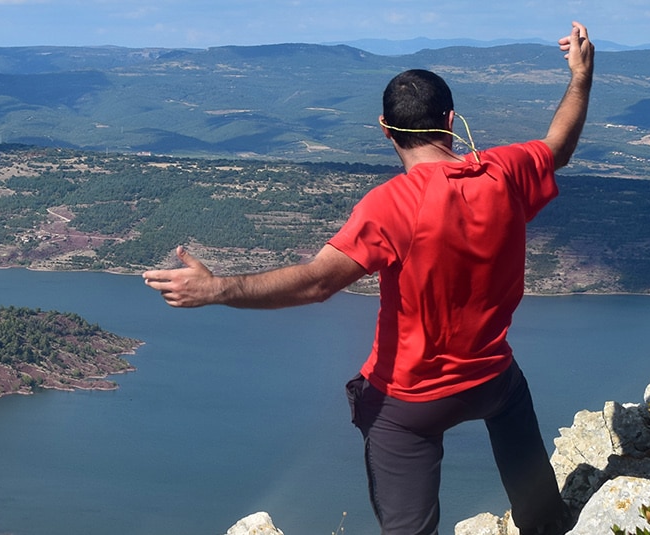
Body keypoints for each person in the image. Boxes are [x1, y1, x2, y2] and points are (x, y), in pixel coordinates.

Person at [142, 22, 595, 535]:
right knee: (520, 428)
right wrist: (580, 76)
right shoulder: (505, 170)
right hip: (491, 380)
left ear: (385, 128)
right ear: (450, 120)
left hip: (407, 402)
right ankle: (546, 524)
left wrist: (216, 288)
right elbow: (558, 144)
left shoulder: (390, 207)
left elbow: (317, 283)